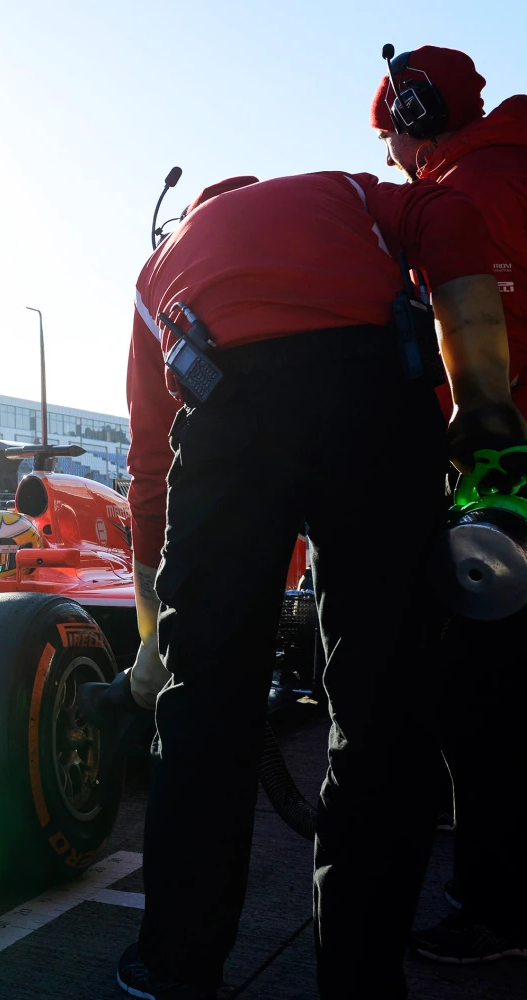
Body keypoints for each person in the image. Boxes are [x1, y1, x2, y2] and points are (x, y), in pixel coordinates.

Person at [95, 170, 519, 999]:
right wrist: (481, 400)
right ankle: (361, 978)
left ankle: (177, 966)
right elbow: (451, 212)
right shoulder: (349, 193)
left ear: (196, 211)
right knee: (383, 707)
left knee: (202, 708)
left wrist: (153, 643)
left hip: (226, 409)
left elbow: (148, 470)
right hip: (374, 399)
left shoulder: (162, 267)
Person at [367, 45, 527, 964]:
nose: (389, 158)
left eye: (388, 137)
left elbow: (489, 354)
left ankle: (498, 909)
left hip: (508, 480)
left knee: (483, 698)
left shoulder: (468, 197)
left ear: (414, 118)